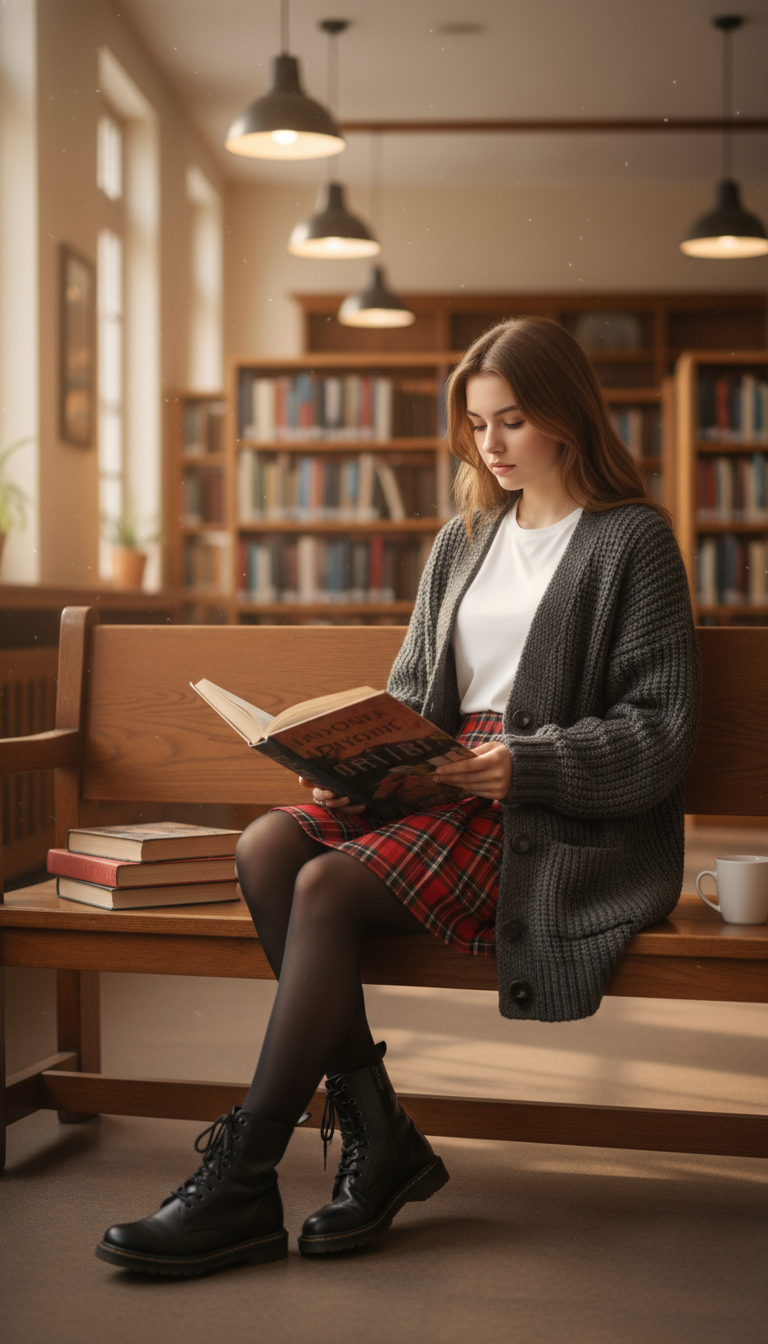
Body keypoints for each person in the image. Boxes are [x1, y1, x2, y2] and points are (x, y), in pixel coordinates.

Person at [97, 317, 701, 1276]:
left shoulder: (633, 541)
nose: (489, 446)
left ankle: (250, 1176)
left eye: (511, 421)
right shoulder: (464, 538)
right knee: (266, 845)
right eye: (475, 425)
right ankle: (380, 1139)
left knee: (326, 889)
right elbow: (414, 694)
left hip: (543, 812)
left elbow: (661, 729)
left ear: (567, 419)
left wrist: (527, 765)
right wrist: (344, 759)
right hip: (441, 776)